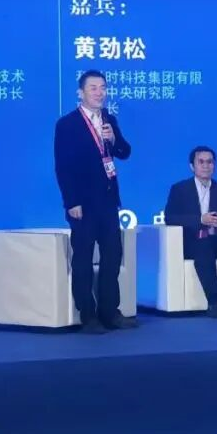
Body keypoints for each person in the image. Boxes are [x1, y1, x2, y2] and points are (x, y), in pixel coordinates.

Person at [53, 70, 135, 334]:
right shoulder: (67, 124)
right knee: (84, 259)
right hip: (83, 204)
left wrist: (113, 139)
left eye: (103, 88)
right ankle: (88, 316)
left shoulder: (108, 119)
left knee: (112, 256)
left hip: (108, 201)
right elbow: (63, 167)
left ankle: (110, 312)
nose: (100, 93)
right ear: (81, 92)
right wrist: (72, 201)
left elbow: (124, 152)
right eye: (93, 88)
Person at [163, 146, 217, 319]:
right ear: (192, 166)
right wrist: (200, 220)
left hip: (215, 238)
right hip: (191, 240)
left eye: (210, 162)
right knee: (203, 247)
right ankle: (213, 302)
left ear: (214, 165)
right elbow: (170, 218)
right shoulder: (180, 189)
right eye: (201, 162)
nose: (206, 166)